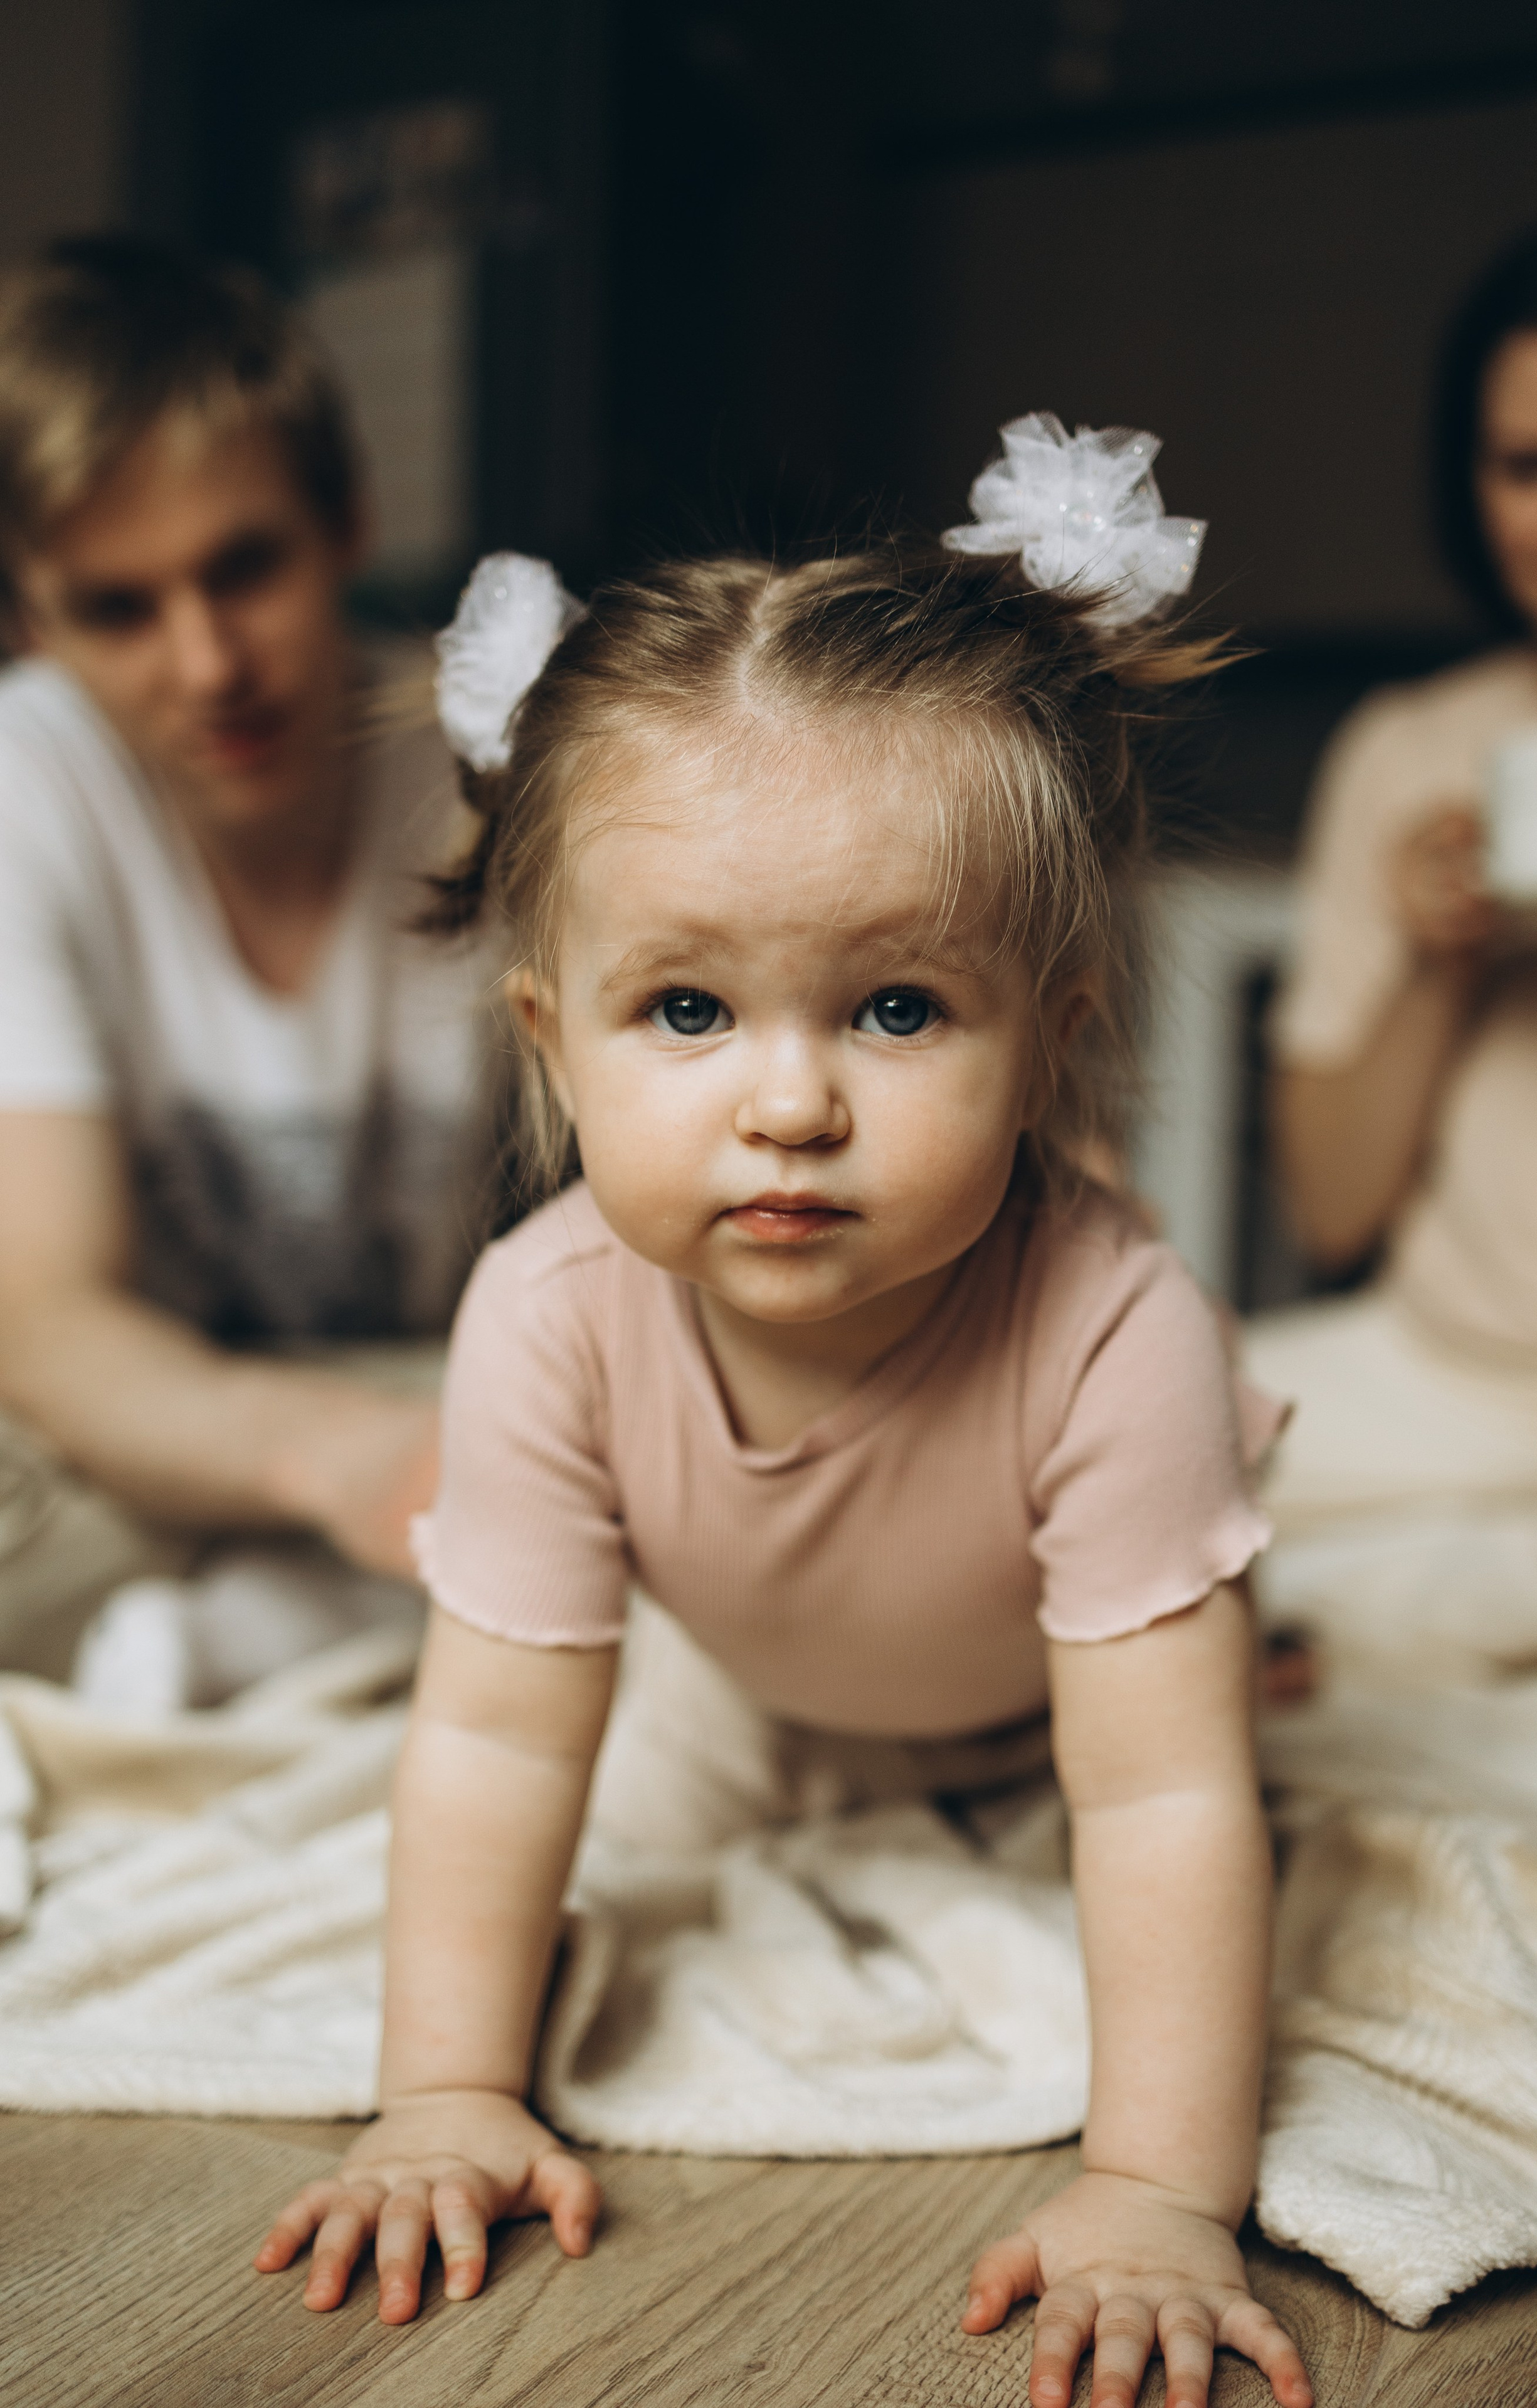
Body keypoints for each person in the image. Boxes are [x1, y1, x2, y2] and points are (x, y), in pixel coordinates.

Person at [255, 420, 1313, 2408]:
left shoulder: (1114, 1331)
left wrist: (1161, 2187)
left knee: (1194, 1717)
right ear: (550, 1045)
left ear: (1050, 1041)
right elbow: (489, 1735)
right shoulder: (546, 1320)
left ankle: (1220, 1594)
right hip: (765, 1668)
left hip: (1038, 1676)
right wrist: (445, 2092)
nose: (791, 1104)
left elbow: (1168, 1804)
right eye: (687, 1010)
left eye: (898, 1009)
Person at [0, 238, 507, 1683]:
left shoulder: (491, 755)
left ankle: (283, 1628)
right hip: (157, 1429)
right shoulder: (23, 782)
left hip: (453, 1385)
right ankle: (352, 1612)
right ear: (32, 617)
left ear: (347, 519)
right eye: (119, 608)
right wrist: (337, 1465)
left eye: (244, 567)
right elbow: (43, 1313)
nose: (209, 662)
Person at [1251, 218, 1537, 1533]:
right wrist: (1436, 960)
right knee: (1125, 1463)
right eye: (1530, 465)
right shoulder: (1410, 749)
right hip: (1445, 1384)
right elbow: (1333, 1215)